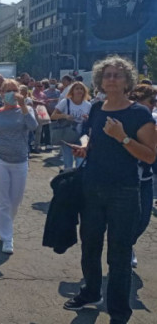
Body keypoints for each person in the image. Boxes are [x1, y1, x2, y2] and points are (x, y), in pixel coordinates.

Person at [62, 57, 156, 324]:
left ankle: (118, 310)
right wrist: (86, 147)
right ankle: (90, 291)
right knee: (90, 245)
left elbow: (150, 156)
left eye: (117, 75)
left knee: (119, 252)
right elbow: (93, 136)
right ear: (100, 81)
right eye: (107, 75)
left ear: (127, 81)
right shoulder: (96, 108)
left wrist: (122, 137)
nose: (111, 79)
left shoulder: (138, 113)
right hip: (93, 186)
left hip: (124, 190)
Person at [0, 79, 38, 254]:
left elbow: (33, 126)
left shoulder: (27, 111)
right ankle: (7, 237)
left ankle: (6, 224)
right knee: (1, 200)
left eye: (14, 90)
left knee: (15, 200)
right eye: (7, 90)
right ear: (1, 94)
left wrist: (23, 105)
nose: (11, 93)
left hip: (20, 159)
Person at [127, 84, 157, 268]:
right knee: (127, 217)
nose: (154, 105)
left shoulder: (152, 120)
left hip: (145, 179)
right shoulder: (126, 118)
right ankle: (124, 248)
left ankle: (127, 243)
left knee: (144, 219)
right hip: (124, 179)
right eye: (152, 101)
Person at [50, 82, 91, 171]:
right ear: (72, 91)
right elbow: (53, 116)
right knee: (68, 161)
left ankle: (78, 181)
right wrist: (65, 116)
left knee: (80, 161)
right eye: (77, 88)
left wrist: (87, 118)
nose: (79, 91)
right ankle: (67, 180)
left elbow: (91, 120)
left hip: (82, 135)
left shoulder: (88, 105)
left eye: (81, 89)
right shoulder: (66, 102)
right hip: (68, 134)